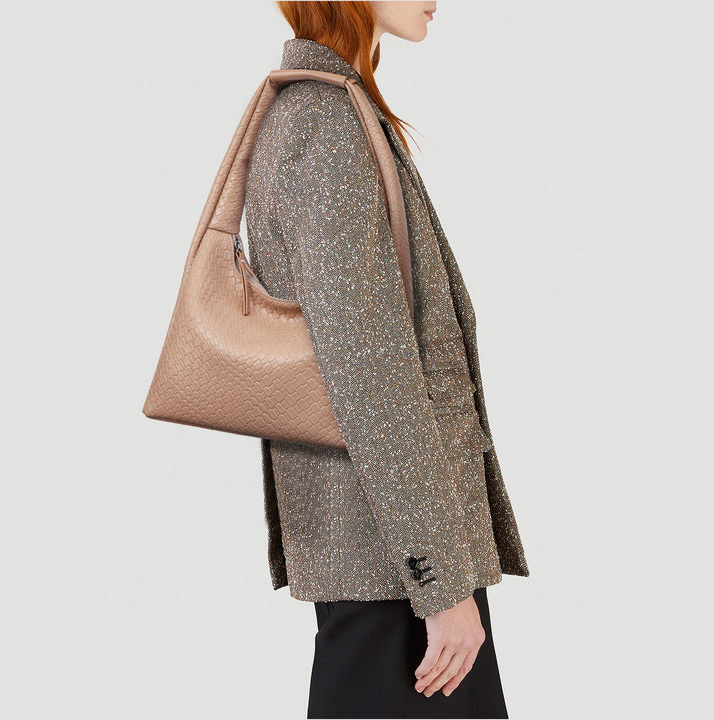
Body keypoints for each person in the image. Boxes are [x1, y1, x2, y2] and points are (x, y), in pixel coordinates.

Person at [244, 2, 530, 717]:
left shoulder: (335, 112)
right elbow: (371, 376)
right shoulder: (324, 126)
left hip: (398, 562)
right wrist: (441, 584)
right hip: (396, 573)